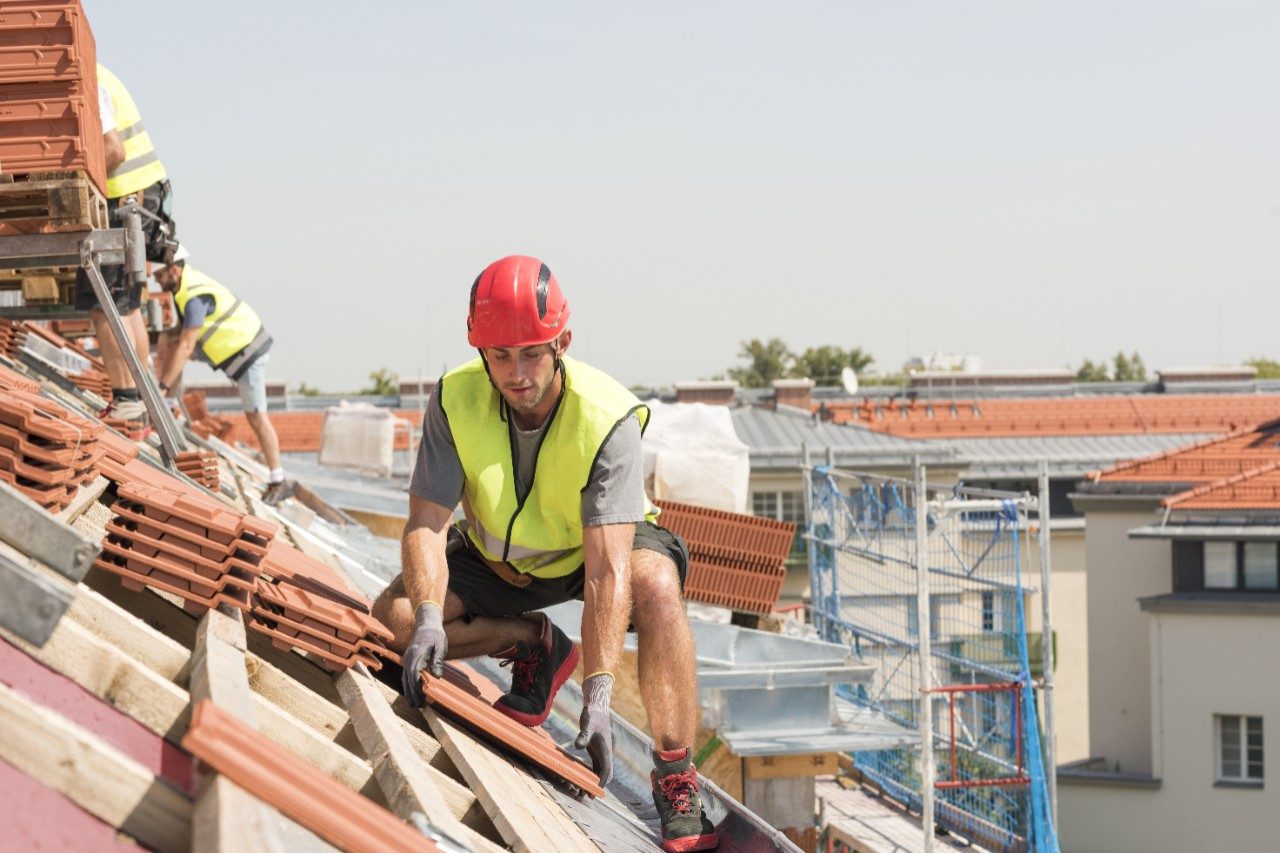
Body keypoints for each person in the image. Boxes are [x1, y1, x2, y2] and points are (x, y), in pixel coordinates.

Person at [373, 255, 719, 852]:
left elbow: (609, 572)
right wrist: (430, 616)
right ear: (478, 349)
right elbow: (427, 522)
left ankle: (677, 778)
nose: (515, 372)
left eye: (531, 351)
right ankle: (531, 641)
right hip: (502, 559)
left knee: (656, 585)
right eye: (499, 356)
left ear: (562, 340)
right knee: (396, 622)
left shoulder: (606, 417)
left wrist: (600, 694)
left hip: (596, 551)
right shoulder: (454, 400)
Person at [74, 64, 179, 427]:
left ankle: (128, 402)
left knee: (105, 302)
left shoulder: (85, 78)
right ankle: (136, 396)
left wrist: (77, 180)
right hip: (139, 199)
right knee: (127, 303)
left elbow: (112, 151)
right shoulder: (96, 71)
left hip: (126, 200)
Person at [152, 253, 292, 505]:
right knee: (172, 343)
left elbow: (186, 345)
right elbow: (180, 337)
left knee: (256, 417)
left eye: (159, 275)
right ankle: (169, 404)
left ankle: (278, 479)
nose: (157, 282)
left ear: (174, 271)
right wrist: (165, 336)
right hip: (226, 349)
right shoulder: (184, 288)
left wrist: (160, 388)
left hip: (246, 351)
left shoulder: (193, 296)